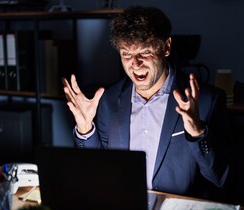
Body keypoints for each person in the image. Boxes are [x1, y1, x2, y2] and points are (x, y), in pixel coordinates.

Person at [62, 6, 231, 200]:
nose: (135, 63)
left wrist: (197, 134)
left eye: (145, 52)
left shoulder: (206, 101)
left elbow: (221, 178)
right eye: (126, 54)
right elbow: (96, 171)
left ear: (166, 47)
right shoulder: (108, 100)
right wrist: (85, 130)